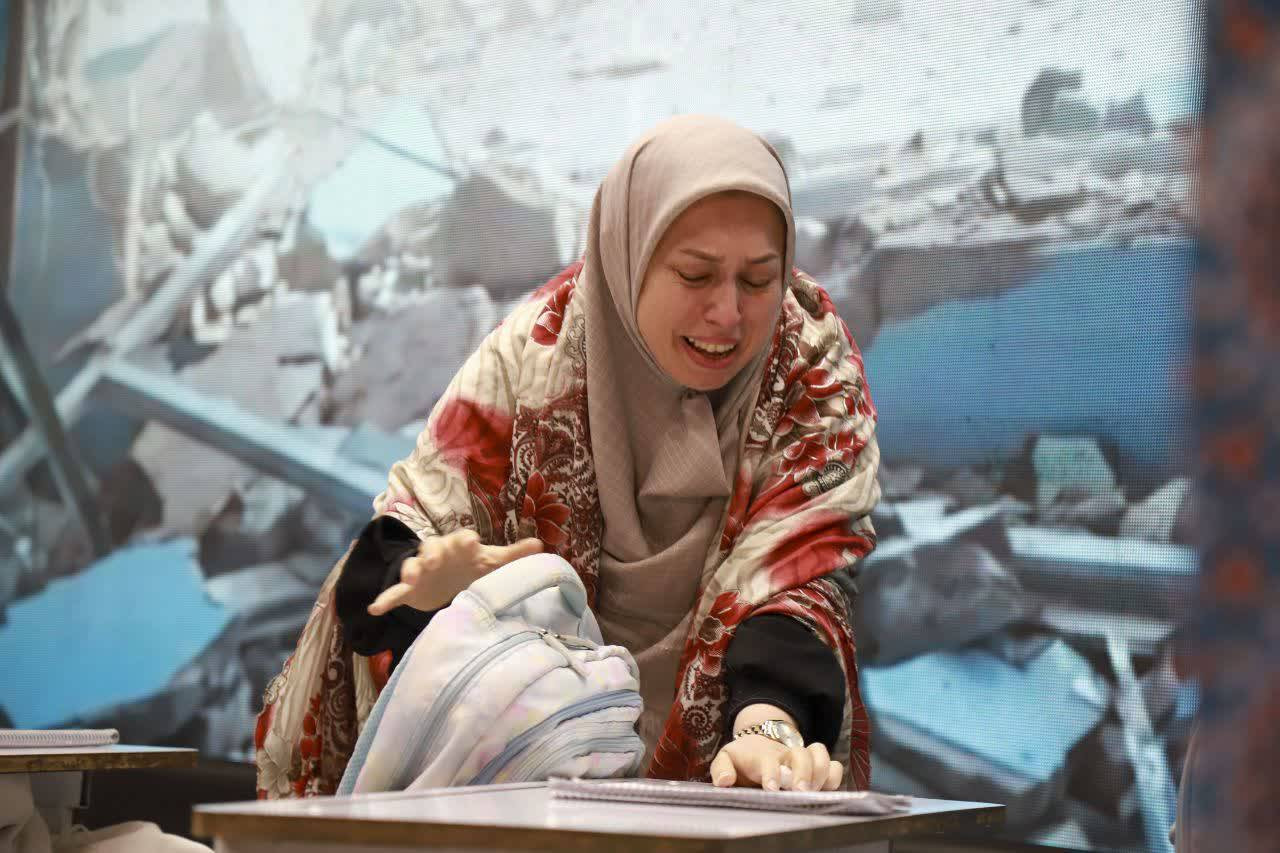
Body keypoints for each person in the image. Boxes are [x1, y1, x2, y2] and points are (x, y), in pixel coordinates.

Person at [254, 115, 881, 799]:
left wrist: (770, 730)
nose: (728, 313)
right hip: (531, 785)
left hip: (733, 776)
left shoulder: (809, 365)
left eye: (758, 280)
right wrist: (423, 585)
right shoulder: (535, 359)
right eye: (696, 274)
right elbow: (400, 543)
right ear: (629, 254)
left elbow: (800, 573)